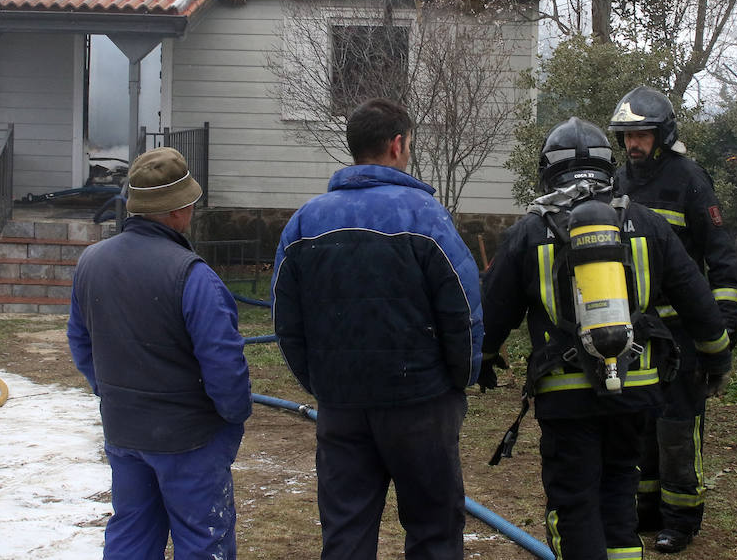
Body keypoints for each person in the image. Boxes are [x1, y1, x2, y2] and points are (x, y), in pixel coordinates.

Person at [480, 117, 731, 560]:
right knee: (619, 491)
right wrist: (717, 359)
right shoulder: (647, 223)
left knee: (573, 501)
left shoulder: (529, 232)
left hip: (565, 398)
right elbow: (700, 304)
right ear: (607, 166)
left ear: (547, 169)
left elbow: (491, 316)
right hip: (634, 391)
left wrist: (480, 358)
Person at [271, 97, 482, 560]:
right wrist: (460, 377)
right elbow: (462, 309)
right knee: (433, 526)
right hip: (421, 403)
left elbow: (285, 319)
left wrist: (320, 381)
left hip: (341, 404)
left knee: (346, 527)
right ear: (398, 144)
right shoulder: (425, 216)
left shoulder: (305, 221)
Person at [68, 146, 252, 559]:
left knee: (131, 532)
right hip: (190, 437)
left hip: (124, 428)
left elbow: (80, 342)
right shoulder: (192, 275)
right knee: (203, 540)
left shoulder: (90, 263)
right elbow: (224, 364)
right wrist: (232, 415)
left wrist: (112, 392)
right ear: (177, 211)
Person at [606, 86, 737, 554]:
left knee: (678, 428)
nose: (633, 145)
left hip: (681, 332)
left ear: (662, 134)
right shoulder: (617, 180)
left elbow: (721, 254)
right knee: (641, 423)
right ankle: (644, 510)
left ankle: (681, 519)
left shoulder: (689, 180)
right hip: (636, 330)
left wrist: (724, 317)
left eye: (642, 134)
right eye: (627, 136)